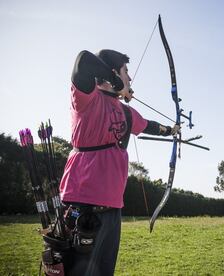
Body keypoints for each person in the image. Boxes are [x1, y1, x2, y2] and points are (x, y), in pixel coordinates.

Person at [59, 49, 179, 276]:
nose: (130, 78)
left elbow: (149, 126)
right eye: (125, 71)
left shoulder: (126, 112)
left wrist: (171, 130)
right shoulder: (87, 99)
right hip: (82, 203)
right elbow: (83, 60)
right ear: (113, 72)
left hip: (113, 208)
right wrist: (117, 83)